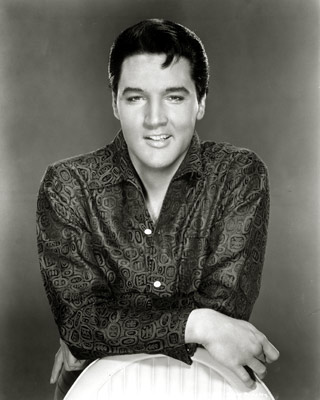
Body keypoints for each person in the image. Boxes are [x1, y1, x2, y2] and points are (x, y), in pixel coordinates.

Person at [36, 18, 279, 400]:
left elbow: (226, 310)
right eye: (135, 97)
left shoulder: (237, 174)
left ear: (201, 101)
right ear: (114, 103)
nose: (154, 118)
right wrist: (198, 325)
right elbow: (80, 323)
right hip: (101, 388)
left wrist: (103, 334)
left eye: (174, 96)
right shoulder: (70, 184)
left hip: (207, 383)